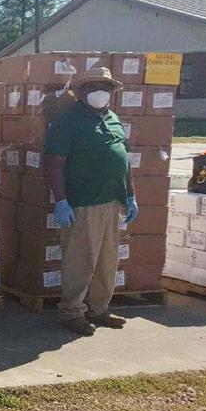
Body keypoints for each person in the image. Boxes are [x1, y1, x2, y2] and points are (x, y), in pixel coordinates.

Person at [44, 66, 136, 336]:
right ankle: (72, 312)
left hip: (112, 202)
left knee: (107, 260)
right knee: (81, 261)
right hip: (82, 203)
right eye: (94, 87)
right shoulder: (68, 121)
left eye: (106, 87)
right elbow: (54, 164)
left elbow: (125, 161)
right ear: (82, 91)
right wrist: (61, 200)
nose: (101, 92)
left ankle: (99, 308)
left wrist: (131, 195)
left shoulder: (114, 119)